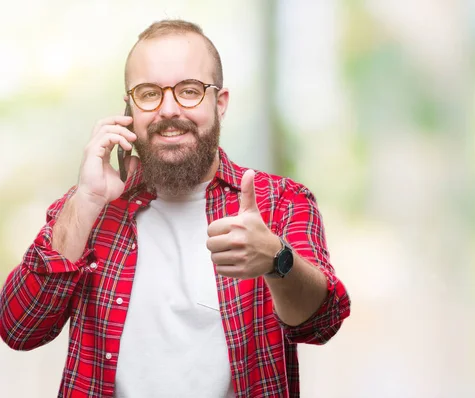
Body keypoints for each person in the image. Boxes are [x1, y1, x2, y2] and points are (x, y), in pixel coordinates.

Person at [0, 19, 350, 398]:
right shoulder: (88, 205)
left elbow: (321, 324)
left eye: (189, 91)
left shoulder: (281, 202)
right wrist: (85, 201)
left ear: (220, 103)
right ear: (129, 109)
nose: (168, 110)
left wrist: (277, 260)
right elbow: (19, 329)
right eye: (149, 93)